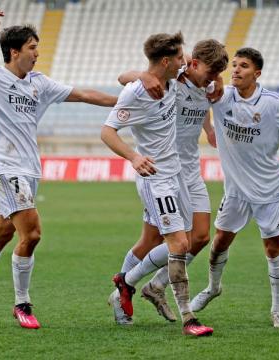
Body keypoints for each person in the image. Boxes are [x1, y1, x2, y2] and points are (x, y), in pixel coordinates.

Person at [0, 11, 117, 329]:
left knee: (3, 233)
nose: (37, 52)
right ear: (14, 51)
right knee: (32, 233)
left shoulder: (39, 83)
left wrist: (127, 102)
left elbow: (84, 94)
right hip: (5, 164)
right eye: (31, 47)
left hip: (29, 168)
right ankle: (22, 304)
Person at [190, 48, 279, 328]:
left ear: (256, 73)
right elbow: (198, 88)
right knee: (220, 241)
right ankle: (212, 288)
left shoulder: (272, 103)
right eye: (234, 65)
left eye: (243, 66)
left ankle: (277, 310)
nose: (236, 70)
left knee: (272, 248)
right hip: (235, 191)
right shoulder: (222, 95)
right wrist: (209, 128)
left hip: (269, 190)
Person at [101, 32, 213, 337]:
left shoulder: (173, 79)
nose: (185, 61)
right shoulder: (136, 93)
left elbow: (204, 74)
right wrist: (134, 157)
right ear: (166, 60)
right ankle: (189, 319)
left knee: (181, 240)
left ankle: (126, 282)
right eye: (180, 57)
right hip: (156, 180)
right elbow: (108, 133)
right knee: (178, 245)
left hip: (176, 173)